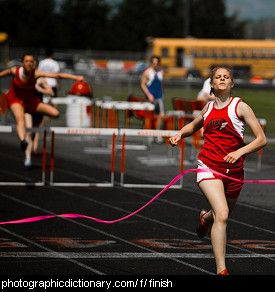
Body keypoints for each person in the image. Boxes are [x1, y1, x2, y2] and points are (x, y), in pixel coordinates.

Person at [169, 66, 266, 275]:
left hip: (235, 171)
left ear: (231, 83)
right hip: (209, 167)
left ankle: (204, 219)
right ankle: (222, 270)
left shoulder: (240, 107)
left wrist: (239, 152)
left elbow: (261, 139)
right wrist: (178, 134)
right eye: (218, 77)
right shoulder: (208, 108)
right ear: (211, 84)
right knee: (222, 215)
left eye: (226, 77)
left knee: (220, 214)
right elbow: (194, 126)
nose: (222, 79)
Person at [0, 53, 84, 165]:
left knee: (55, 113)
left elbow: (56, 76)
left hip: (31, 102)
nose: (29, 64)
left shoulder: (37, 74)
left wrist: (75, 77)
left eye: (31, 61)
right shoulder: (15, 71)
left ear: (34, 64)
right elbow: (2, 74)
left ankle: (31, 149)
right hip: (16, 100)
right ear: (22, 63)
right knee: (22, 121)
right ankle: (23, 142)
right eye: (27, 61)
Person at [141, 56, 165, 139]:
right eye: (154, 62)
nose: (155, 64)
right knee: (149, 116)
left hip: (159, 96)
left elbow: (161, 83)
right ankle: (149, 134)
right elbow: (143, 84)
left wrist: (162, 92)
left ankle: (157, 133)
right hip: (151, 96)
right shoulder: (147, 72)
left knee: (161, 115)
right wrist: (148, 95)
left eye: (157, 62)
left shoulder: (161, 71)